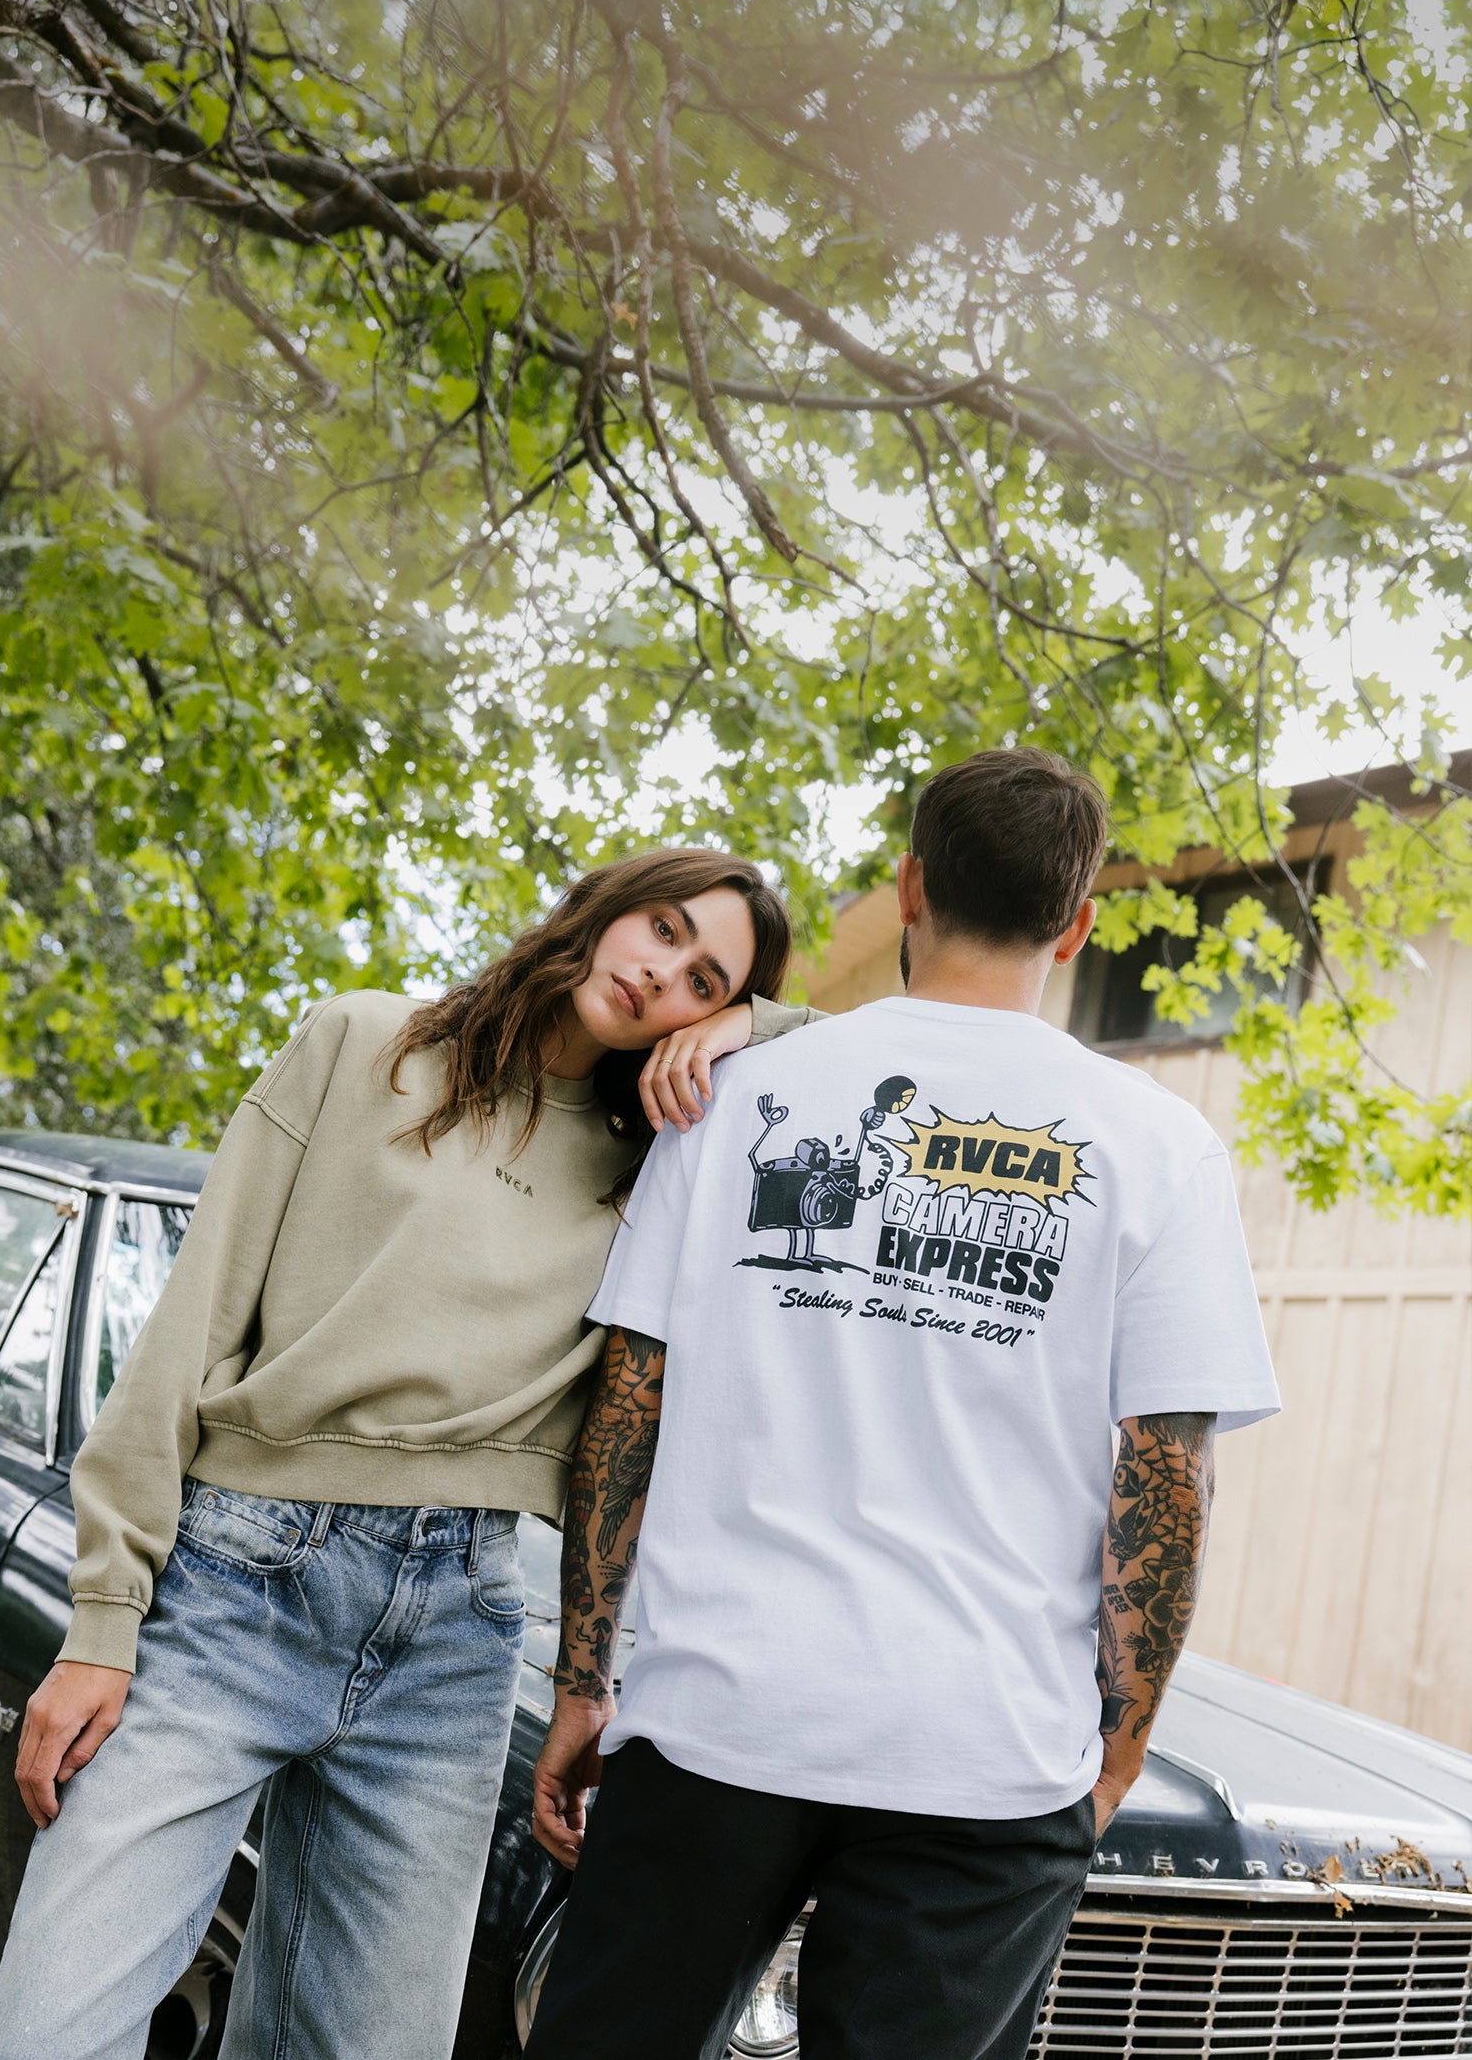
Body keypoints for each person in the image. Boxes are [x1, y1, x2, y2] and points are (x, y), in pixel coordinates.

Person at [0, 848, 805, 2060]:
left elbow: (879, 1053)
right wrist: (104, 1617)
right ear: (605, 908)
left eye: (702, 979)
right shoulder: (363, 1043)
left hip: (457, 1632)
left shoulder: (660, 1163)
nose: (661, 976)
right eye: (662, 929)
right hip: (238, 1582)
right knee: (57, 2029)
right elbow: (189, 1325)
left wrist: (755, 1026)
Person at [530, 749, 1281, 2060]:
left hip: (715, 1716)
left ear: (911, 886)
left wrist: (583, 1677)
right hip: (983, 1751)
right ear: (1080, 917)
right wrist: (1118, 1745)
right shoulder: (1157, 1146)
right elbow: (1164, 1473)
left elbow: (626, 1406)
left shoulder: (726, 1095)